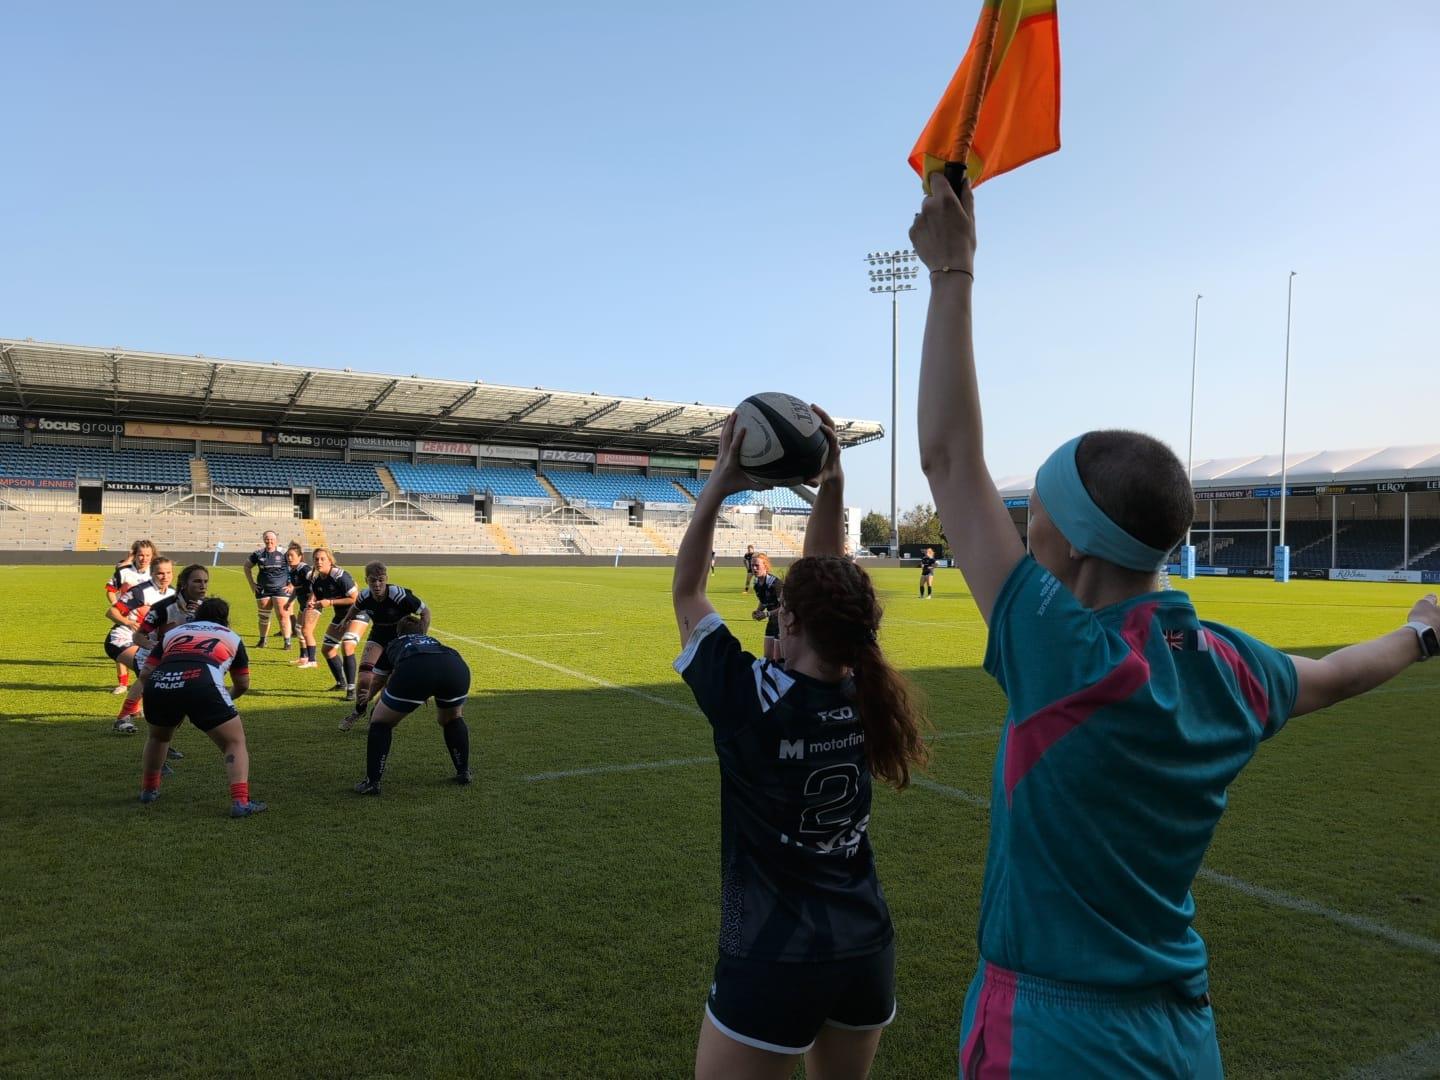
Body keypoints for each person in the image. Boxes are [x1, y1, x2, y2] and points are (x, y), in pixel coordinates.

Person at [911, 170, 1440, 1077]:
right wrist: (1424, 630)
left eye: (1033, 511)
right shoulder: (1234, 670)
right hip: (1177, 1031)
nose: (1018, 526)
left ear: (1073, 546)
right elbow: (1340, 673)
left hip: (1050, 1033)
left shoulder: (1060, 649)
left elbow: (949, 458)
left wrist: (951, 274)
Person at [672, 406, 927, 1080]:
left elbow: (687, 590)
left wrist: (720, 485)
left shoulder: (750, 700)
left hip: (773, 955)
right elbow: (824, 578)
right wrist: (833, 483)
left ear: (786, 618)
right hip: (864, 947)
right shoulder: (865, 687)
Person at [137, 597, 266, 818]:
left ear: (196, 616)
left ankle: (149, 790)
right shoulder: (232, 637)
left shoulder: (173, 633)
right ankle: (240, 801)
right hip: (202, 683)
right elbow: (243, 683)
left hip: (160, 683)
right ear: (226, 619)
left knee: (159, 738)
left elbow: (146, 673)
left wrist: (167, 693)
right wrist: (225, 701)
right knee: (234, 742)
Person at [351, 626, 472, 795]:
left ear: (399, 632)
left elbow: (378, 678)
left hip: (416, 667)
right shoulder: (433, 640)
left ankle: (372, 783)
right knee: (452, 719)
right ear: (422, 632)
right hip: (455, 666)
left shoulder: (394, 643)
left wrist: (369, 696)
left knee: (380, 723)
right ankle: (463, 772)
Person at [112, 564, 209, 734]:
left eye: (205, 581)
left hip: (181, 655)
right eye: (197, 581)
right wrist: (155, 647)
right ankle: (123, 718)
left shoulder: (206, 606)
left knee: (178, 696)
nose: (203, 586)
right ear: (184, 584)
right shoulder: (163, 607)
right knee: (149, 682)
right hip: (152, 652)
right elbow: (138, 636)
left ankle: (164, 739)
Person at [340, 562, 429, 731]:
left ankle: (375, 715)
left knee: (387, 682)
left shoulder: (398, 594)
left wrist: (420, 636)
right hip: (378, 635)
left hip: (400, 639)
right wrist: (346, 620)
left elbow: (425, 612)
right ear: (367, 580)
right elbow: (356, 607)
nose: (377, 584)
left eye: (381, 580)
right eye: (373, 580)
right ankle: (358, 712)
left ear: (386, 579)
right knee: (365, 678)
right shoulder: (364, 596)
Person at [307, 547, 361, 698]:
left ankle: (351, 689)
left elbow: (355, 598)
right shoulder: (317, 581)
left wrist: (330, 602)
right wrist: (314, 605)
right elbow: (319, 600)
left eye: (322, 559)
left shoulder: (340, 576)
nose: (319, 562)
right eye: (316, 559)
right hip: (341, 615)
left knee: (347, 645)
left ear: (330, 561)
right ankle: (341, 683)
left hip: (358, 612)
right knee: (327, 649)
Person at [105, 539, 157, 693]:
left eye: (148, 555)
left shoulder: (156, 573)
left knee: (145, 660)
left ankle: (137, 696)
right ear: (135, 555)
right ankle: (122, 684)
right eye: (141, 555)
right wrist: (118, 607)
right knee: (123, 648)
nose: (144, 558)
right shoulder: (124, 572)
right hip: (127, 618)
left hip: (149, 622)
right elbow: (110, 589)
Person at [244, 530, 291, 649]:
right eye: (267, 539)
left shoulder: (284, 553)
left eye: (272, 539)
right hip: (263, 589)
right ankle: (262, 640)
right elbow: (246, 566)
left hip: (281, 589)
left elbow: (295, 566)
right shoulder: (258, 554)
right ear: (264, 540)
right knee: (263, 616)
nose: (269, 541)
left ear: (276, 541)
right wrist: (252, 584)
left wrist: (292, 585)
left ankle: (287, 642)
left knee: (283, 615)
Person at [283, 542, 318, 669]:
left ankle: (312, 660)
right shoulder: (292, 570)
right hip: (303, 604)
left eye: (292, 555)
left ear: (300, 557)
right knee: (298, 628)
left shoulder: (304, 569)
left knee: (306, 631)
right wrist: (289, 602)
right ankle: (304, 657)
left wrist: (312, 599)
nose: (289, 558)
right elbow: (297, 589)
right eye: (288, 555)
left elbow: (316, 582)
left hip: (312, 605)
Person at [750, 553, 783, 663]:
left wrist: (766, 614)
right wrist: (758, 611)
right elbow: (764, 602)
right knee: (767, 659)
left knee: (779, 660)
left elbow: (785, 608)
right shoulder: (756, 583)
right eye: (752, 565)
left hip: (782, 622)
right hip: (772, 622)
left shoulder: (775, 583)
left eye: (757, 565)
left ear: (765, 566)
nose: (754, 568)